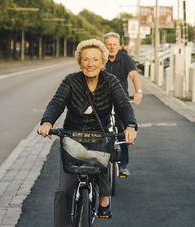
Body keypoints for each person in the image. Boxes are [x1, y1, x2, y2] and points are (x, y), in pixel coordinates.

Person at [38, 39, 137, 226]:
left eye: (94, 60)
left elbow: (123, 105)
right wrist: (47, 122)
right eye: (85, 59)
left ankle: (104, 196)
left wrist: (130, 126)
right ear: (79, 62)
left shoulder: (111, 81)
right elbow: (57, 102)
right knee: (64, 190)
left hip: (99, 134)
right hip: (73, 136)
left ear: (102, 62)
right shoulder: (71, 81)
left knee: (100, 160)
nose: (90, 64)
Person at [104, 32, 143, 177]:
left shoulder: (125, 58)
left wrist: (138, 91)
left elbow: (133, 75)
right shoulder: (101, 58)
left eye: (114, 44)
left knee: (124, 132)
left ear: (119, 45)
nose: (112, 47)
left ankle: (123, 166)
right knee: (99, 129)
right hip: (104, 99)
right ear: (105, 46)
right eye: (109, 44)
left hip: (121, 99)